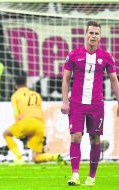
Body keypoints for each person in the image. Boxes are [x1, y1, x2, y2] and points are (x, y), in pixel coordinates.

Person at [61, 20, 119, 186]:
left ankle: (91, 177)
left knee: (95, 139)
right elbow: (65, 79)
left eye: (96, 33)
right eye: (91, 33)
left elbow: (114, 80)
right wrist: (65, 102)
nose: (93, 36)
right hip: (77, 104)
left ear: (100, 36)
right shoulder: (74, 54)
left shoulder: (106, 57)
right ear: (85, 34)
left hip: (96, 105)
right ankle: (75, 175)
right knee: (76, 137)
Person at [3, 75, 64, 165]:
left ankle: (19, 158)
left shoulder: (15, 95)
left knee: (6, 133)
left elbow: (16, 113)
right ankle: (54, 156)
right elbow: (40, 110)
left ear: (15, 86)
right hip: (40, 125)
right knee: (36, 158)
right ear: (26, 84)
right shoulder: (36, 95)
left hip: (27, 122)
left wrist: (19, 127)